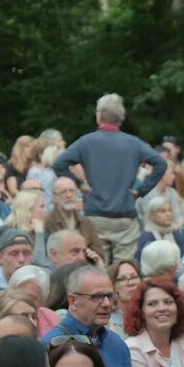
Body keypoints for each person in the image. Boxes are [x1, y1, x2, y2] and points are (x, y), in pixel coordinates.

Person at [52, 93, 167, 262]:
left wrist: (79, 185)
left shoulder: (87, 142)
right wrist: (140, 190)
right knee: (124, 267)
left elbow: (59, 163)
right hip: (125, 213)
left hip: (95, 213)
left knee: (97, 264)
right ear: (121, 118)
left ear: (99, 116)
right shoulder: (133, 143)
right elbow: (160, 163)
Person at [42, 263, 147, 367]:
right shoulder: (53, 344)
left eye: (109, 296)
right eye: (97, 297)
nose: (106, 304)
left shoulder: (115, 342)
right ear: (73, 301)